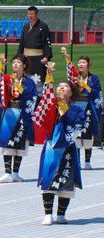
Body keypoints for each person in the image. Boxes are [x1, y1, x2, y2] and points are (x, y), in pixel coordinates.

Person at [33, 62, 86, 225]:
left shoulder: (76, 110)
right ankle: (47, 213)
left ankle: (61, 213)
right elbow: (41, 111)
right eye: (60, 86)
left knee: (67, 180)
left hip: (68, 149)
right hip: (51, 147)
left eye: (65, 87)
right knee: (48, 178)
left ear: (72, 93)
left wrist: (65, 108)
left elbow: (79, 124)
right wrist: (49, 77)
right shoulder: (50, 106)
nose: (61, 88)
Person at [0, 54, 38, 183]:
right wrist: (1, 65)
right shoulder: (7, 79)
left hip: (22, 112)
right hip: (9, 112)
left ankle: (16, 172)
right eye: (14, 62)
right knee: (7, 141)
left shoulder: (29, 82)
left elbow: (31, 96)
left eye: (18, 62)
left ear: (24, 66)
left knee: (20, 142)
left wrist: (18, 86)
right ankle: (7, 172)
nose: (15, 64)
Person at [63, 49, 102, 170]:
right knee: (77, 134)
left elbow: (96, 93)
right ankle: (77, 161)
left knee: (88, 134)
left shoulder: (93, 79)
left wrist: (84, 85)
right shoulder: (74, 77)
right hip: (76, 107)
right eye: (79, 62)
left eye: (83, 62)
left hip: (88, 107)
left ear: (89, 65)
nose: (80, 64)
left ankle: (87, 161)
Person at [17, 5, 52, 93]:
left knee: (38, 80)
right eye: (29, 14)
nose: (30, 16)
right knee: (25, 78)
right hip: (26, 57)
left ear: (36, 14)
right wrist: (19, 57)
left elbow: (47, 42)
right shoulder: (25, 27)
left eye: (32, 14)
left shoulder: (43, 26)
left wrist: (46, 57)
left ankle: (39, 97)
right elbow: (21, 43)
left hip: (38, 57)